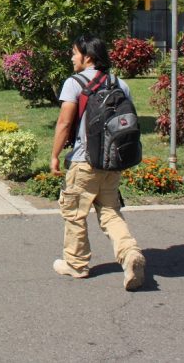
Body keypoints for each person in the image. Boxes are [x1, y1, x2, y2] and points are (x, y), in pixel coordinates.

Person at [50, 35, 145, 291]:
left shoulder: (74, 83)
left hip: (84, 162)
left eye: (74, 53)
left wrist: (55, 155)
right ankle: (130, 253)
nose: (71, 57)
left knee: (74, 213)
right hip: (112, 162)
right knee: (110, 212)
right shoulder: (120, 84)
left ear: (87, 56)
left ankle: (76, 264)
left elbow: (65, 123)